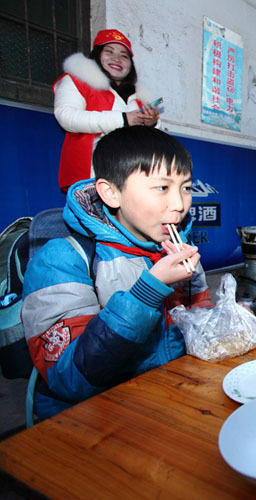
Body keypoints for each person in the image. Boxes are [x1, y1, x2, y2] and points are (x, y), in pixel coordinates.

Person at [22, 126, 209, 420]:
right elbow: (69, 376)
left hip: (165, 400)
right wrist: (149, 291)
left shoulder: (177, 251)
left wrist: (222, 322)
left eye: (185, 187)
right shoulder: (62, 259)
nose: (179, 205)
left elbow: (200, 319)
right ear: (111, 193)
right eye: (162, 188)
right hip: (90, 419)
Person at [53, 29, 159, 191]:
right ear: (96, 55)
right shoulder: (77, 80)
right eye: (109, 51)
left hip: (131, 179)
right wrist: (123, 119)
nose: (117, 58)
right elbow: (66, 117)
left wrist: (152, 124)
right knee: (93, 217)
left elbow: (155, 141)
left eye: (124, 55)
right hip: (91, 177)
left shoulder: (139, 96)